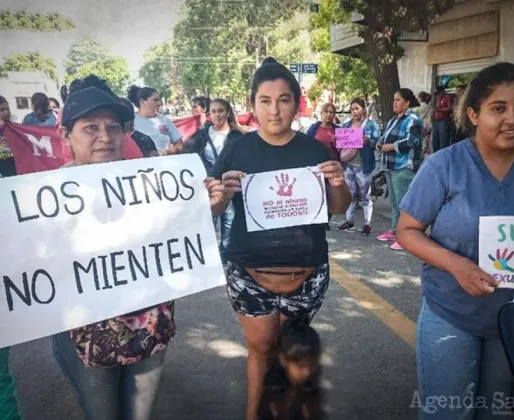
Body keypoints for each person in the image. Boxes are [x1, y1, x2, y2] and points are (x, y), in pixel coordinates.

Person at [51, 77, 226, 420]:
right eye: (91, 127)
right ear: (65, 135)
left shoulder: (148, 182)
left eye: (113, 127)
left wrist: (210, 205)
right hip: (87, 339)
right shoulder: (46, 199)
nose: (105, 136)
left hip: (148, 333)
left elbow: (180, 228)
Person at [396, 62, 514, 419]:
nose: (512, 119)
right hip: (451, 314)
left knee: (497, 413)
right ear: (473, 113)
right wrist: (458, 265)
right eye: (498, 108)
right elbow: (406, 231)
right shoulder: (444, 166)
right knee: (448, 413)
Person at [211, 56, 351, 420]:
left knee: (292, 354)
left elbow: (338, 207)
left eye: (284, 100)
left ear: (296, 103)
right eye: (265, 101)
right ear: (252, 104)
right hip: (249, 273)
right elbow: (210, 207)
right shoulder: (236, 149)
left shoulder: (315, 150)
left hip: (306, 275)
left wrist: (338, 181)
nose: (275, 111)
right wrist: (220, 197)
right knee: (261, 349)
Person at [186, 98, 242, 262]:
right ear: (209, 114)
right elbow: (191, 155)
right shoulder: (202, 134)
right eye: (213, 111)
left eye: (221, 111)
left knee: (229, 220)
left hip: (229, 184)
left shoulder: (237, 135)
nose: (217, 115)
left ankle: (225, 255)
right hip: (208, 184)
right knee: (209, 218)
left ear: (227, 112)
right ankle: (207, 256)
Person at [375, 88, 424, 250]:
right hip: (390, 166)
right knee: (394, 203)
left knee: (404, 204)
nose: (394, 103)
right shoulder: (394, 120)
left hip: (403, 166)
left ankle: (405, 237)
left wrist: (392, 146)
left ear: (407, 102)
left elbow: (413, 141)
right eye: (394, 100)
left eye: (398, 100)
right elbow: (384, 135)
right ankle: (395, 230)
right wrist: (380, 143)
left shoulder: (413, 119)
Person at [257, 317, 324, 420]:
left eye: (312, 365)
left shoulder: (311, 391)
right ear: (283, 359)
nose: (307, 372)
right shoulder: (273, 392)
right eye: (301, 366)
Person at [336, 98, 380, 236]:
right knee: (350, 194)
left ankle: (367, 223)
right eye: (352, 109)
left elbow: (377, 141)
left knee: (365, 195)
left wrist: (368, 141)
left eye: (357, 108)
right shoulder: (346, 125)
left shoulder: (371, 125)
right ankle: (349, 220)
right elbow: (340, 143)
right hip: (348, 165)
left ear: (364, 109)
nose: (354, 111)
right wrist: (337, 141)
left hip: (363, 165)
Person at [127, 85, 183, 155]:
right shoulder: (130, 122)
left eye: (159, 100)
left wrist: (169, 151)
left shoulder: (164, 120)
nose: (159, 103)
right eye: (155, 100)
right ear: (142, 102)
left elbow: (179, 144)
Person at [431, 86, 453, 152]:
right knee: (435, 140)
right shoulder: (438, 98)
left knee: (443, 141)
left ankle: (443, 155)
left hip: (443, 120)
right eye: (437, 93)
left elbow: (450, 108)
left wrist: (439, 109)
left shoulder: (447, 97)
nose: (438, 94)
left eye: (439, 92)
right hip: (436, 121)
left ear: (443, 91)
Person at [0, 96, 16, 178]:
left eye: (7, 109)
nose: (6, 112)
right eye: (2, 110)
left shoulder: (15, 128)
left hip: (15, 171)